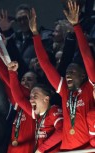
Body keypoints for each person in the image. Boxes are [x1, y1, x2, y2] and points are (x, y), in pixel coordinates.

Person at [29, 1, 95, 150]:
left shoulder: (90, 88)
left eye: (72, 72)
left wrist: (76, 26)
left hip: (87, 149)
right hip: (65, 149)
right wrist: (35, 35)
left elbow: (87, 57)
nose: (68, 75)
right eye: (66, 73)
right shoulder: (65, 90)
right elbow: (45, 65)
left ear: (83, 75)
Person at [7, 61, 63, 153]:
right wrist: (12, 73)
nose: (31, 99)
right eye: (31, 96)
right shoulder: (37, 116)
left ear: (46, 99)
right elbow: (19, 98)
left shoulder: (53, 110)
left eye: (35, 96)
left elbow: (62, 131)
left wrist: (41, 149)